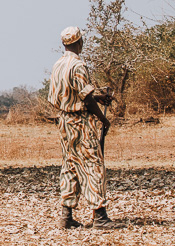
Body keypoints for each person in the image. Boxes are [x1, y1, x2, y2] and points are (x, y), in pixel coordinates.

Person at [48, 26, 122, 230]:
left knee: (70, 165)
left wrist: (97, 96)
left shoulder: (58, 65)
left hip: (63, 122)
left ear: (64, 44)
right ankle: (100, 217)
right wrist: (103, 120)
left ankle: (66, 215)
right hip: (81, 122)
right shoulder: (78, 65)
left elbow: (70, 95)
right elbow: (86, 99)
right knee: (93, 165)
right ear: (80, 42)